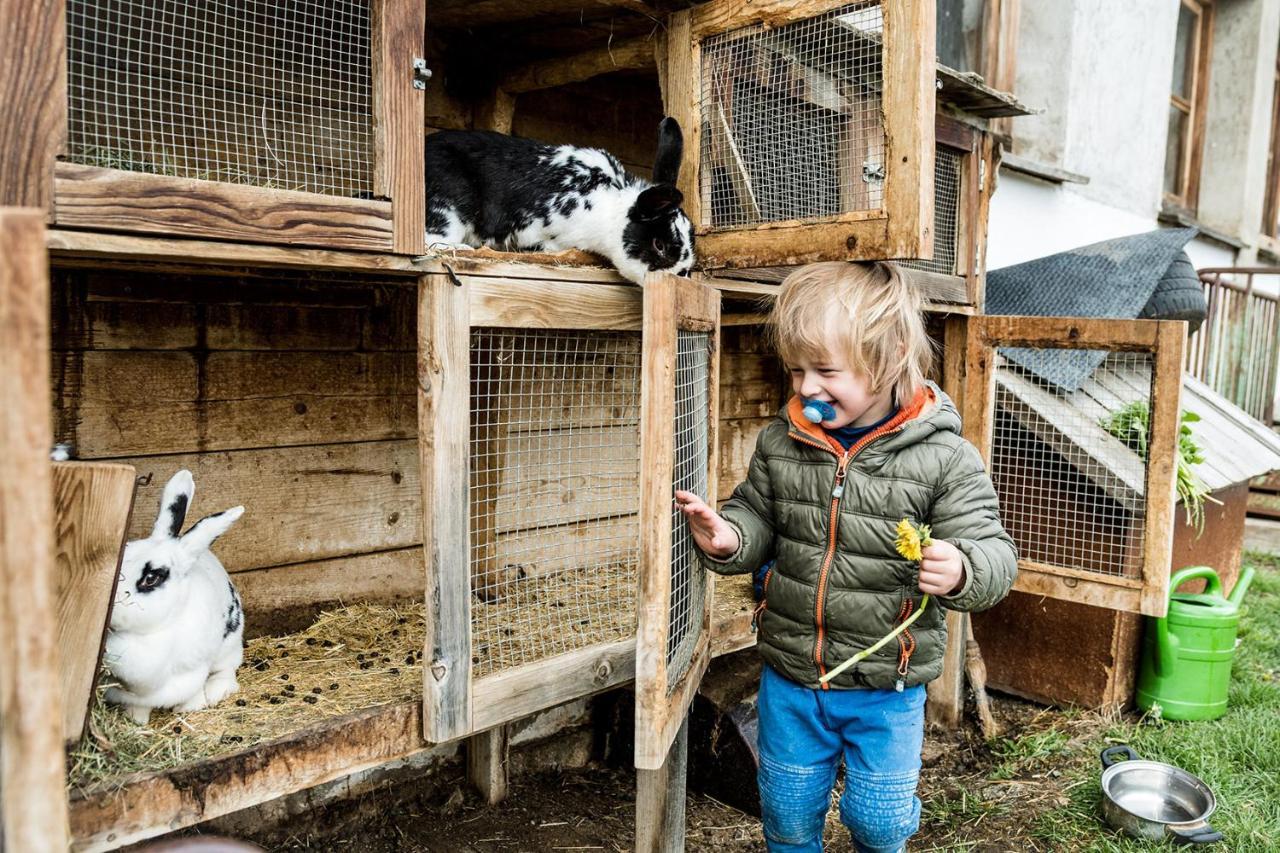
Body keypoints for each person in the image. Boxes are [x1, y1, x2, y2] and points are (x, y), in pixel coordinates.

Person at [675, 261, 1018, 853]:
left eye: (826, 370)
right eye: (797, 370)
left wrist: (962, 567)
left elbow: (995, 553)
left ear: (891, 359)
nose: (807, 388)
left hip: (887, 685)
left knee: (879, 821)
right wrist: (731, 538)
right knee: (784, 810)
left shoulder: (945, 458)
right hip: (792, 673)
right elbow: (758, 514)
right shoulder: (783, 442)